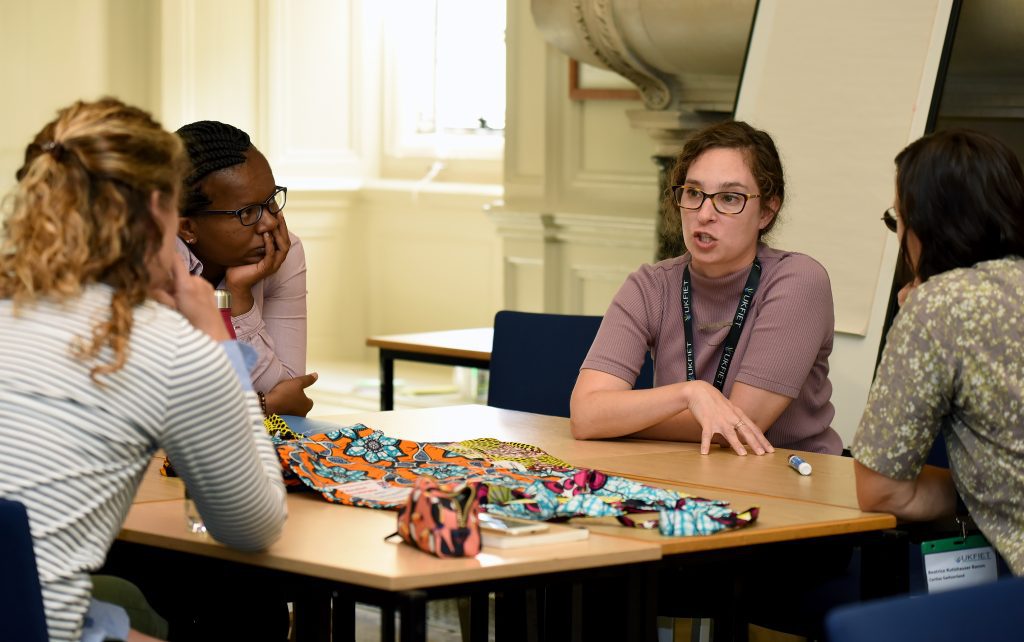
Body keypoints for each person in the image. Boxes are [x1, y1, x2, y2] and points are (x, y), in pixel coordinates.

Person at [0, 98, 288, 641]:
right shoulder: (162, 344)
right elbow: (254, 526)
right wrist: (213, 340)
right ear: (160, 212)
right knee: (241, 602)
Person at [571, 120, 842, 455]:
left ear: (767, 211)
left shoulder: (799, 281)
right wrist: (690, 393)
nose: (704, 214)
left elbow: (742, 426)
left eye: (729, 198)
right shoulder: (650, 285)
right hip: (689, 475)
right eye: (694, 193)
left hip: (793, 479)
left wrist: (622, 420)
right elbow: (586, 416)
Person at [852, 128, 1024, 574]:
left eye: (898, 219)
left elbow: (881, 491)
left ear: (923, 224)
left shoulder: (940, 306)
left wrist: (979, 494)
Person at [175, 120, 316, 416]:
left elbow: (288, 393)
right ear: (187, 228)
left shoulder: (282, 252)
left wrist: (239, 299)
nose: (269, 223)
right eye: (247, 212)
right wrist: (262, 405)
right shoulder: (149, 265)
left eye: (271, 200)